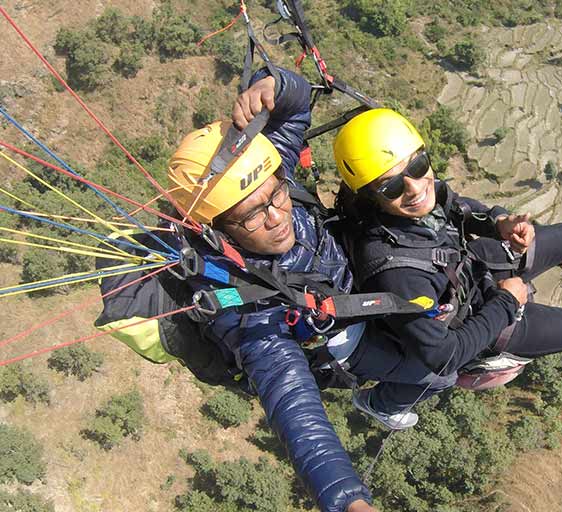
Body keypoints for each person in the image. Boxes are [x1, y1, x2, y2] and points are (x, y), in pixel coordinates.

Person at [167, 69, 453, 512]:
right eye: (250, 218)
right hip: (346, 338)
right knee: (441, 372)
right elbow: (295, 410)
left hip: (357, 276)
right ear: (217, 229)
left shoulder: (261, 172)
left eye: (277, 196)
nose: (276, 217)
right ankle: (378, 401)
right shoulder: (244, 305)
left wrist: (276, 84)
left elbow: (297, 107)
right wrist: (347, 501)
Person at [331, 108, 562, 400]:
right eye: (392, 186)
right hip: (483, 321)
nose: (414, 188)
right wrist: (505, 303)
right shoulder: (394, 273)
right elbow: (444, 358)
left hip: (472, 267)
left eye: (417, 166)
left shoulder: (420, 197)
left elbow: (456, 206)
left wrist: (498, 222)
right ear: (369, 196)